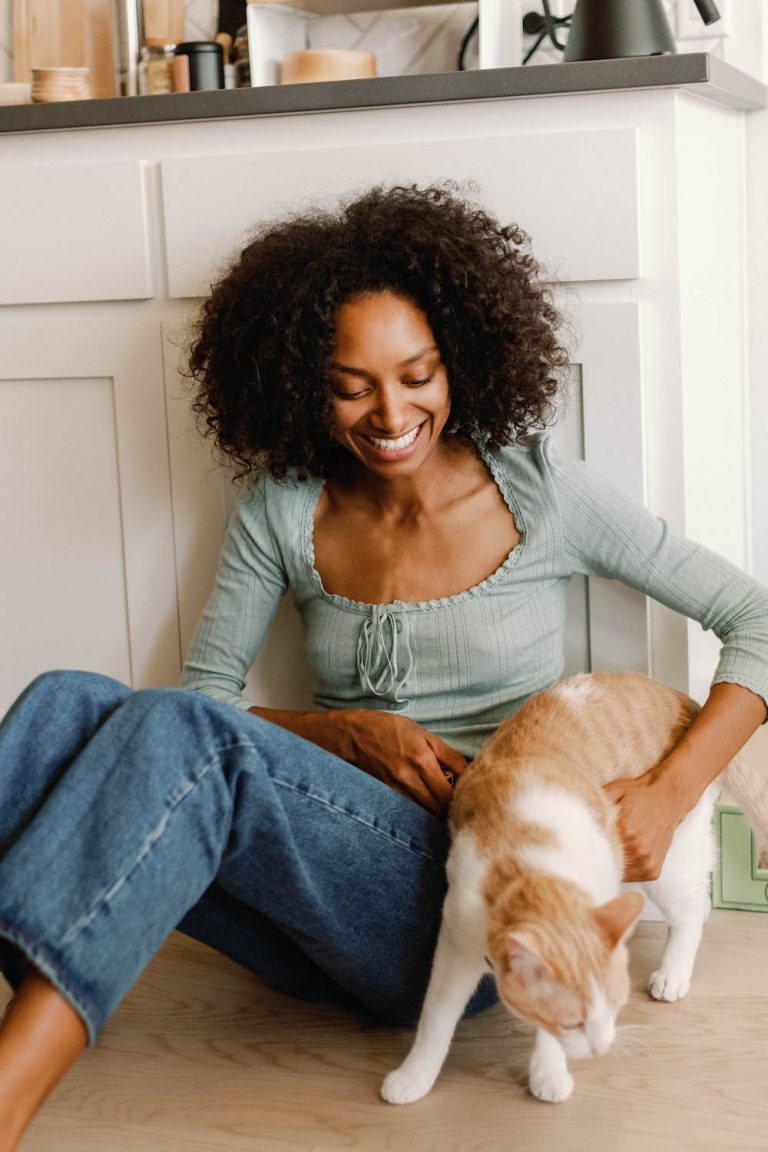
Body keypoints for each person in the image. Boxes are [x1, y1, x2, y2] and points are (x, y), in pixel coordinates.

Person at [0, 183, 766, 1150]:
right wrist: (332, 731)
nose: (391, 412)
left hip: (481, 914)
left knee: (166, 729)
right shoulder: (282, 509)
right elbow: (201, 699)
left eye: (417, 374)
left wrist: (667, 791)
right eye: (350, 384)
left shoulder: (542, 493)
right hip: (326, 900)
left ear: (462, 364)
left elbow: (756, 617)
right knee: (66, 700)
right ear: (301, 387)